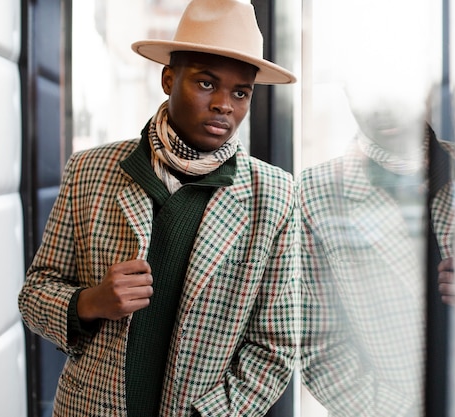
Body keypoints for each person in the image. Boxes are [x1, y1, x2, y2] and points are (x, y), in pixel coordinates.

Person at [18, 1, 298, 416]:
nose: (224, 104)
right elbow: (34, 295)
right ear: (169, 78)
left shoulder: (274, 194)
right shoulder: (90, 170)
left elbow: (275, 347)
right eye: (206, 84)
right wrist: (90, 302)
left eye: (241, 92)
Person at [299, 2, 455, 416]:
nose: (385, 107)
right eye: (367, 88)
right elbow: (318, 349)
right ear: (346, 90)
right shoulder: (315, 191)